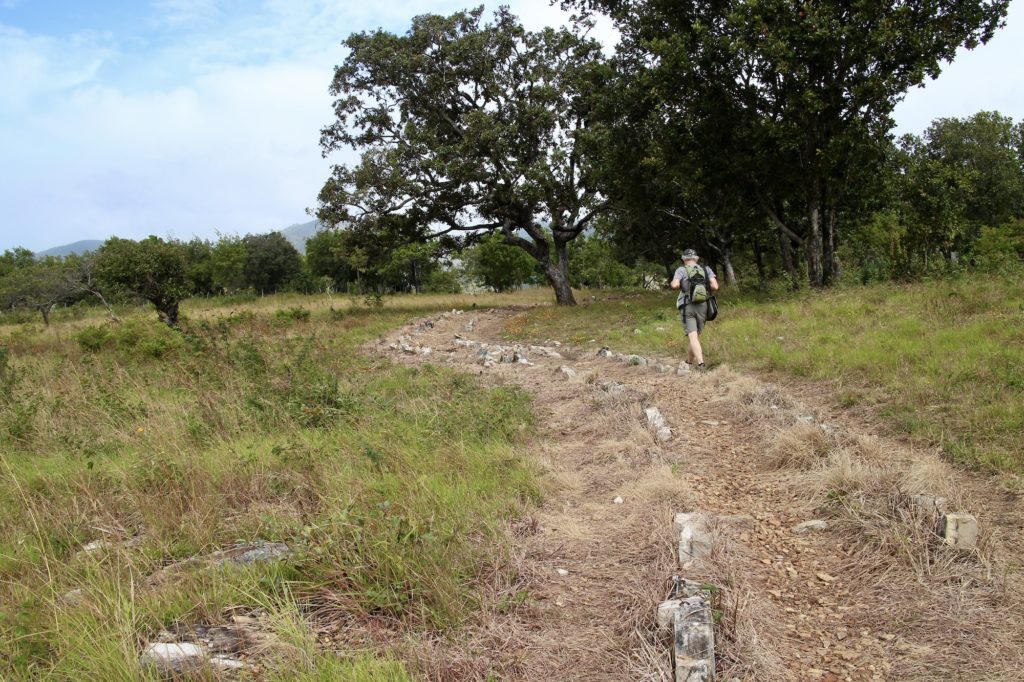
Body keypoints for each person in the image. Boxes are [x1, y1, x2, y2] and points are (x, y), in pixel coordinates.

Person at [671, 248, 719, 371]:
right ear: (696, 258)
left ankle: (701, 363)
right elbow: (715, 286)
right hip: (703, 306)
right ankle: (689, 362)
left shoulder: (681, 269)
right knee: (696, 337)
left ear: (683, 259)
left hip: (687, 305)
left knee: (693, 337)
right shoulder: (706, 269)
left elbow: (675, 285)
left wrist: (675, 284)